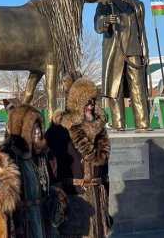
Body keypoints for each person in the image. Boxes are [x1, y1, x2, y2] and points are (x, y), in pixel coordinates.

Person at [45, 74, 111, 237]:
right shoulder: (60, 130)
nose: (90, 106)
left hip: (96, 200)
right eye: (86, 102)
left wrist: (104, 199)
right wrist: (58, 196)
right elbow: (49, 165)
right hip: (73, 199)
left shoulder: (99, 131)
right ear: (76, 102)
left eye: (93, 101)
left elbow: (104, 173)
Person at [94, 0, 151, 132]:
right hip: (115, 51)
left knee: (138, 88)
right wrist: (105, 20)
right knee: (115, 89)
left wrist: (145, 52)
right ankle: (119, 124)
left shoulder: (138, 4)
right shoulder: (106, 3)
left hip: (135, 50)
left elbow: (142, 30)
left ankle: (143, 124)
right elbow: (97, 25)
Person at [1, 104, 64, 237]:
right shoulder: (10, 155)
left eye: (39, 127)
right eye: (32, 128)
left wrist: (57, 195)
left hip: (46, 218)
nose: (38, 132)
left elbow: (49, 183)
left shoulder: (43, 153)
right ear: (22, 129)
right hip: (25, 220)